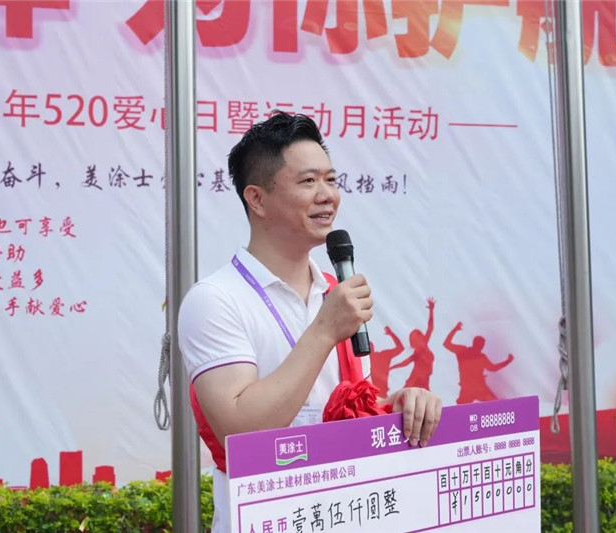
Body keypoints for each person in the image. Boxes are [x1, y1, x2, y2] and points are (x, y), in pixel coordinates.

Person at [178, 111, 443, 532]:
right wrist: (323, 330)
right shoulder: (215, 299)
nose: (327, 195)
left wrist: (400, 405)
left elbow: (345, 412)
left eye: (331, 180)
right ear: (257, 199)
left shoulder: (333, 292)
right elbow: (239, 430)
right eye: (308, 181)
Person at [443, 321, 515, 404]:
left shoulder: (474, 355)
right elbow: (446, 344)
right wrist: (508, 361)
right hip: (473, 390)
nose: (481, 347)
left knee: (494, 403)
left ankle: (497, 407)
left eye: (482, 345)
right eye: (480, 345)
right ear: (475, 343)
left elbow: (493, 368)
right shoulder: (466, 352)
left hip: (475, 389)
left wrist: (507, 361)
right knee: (493, 403)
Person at [390, 298, 437, 390]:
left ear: (421, 337)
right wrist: (393, 367)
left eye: (416, 338)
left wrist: (431, 310)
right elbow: (405, 362)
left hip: (423, 382)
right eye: (413, 340)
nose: (415, 341)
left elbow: (430, 328)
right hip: (415, 381)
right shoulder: (417, 353)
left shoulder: (423, 346)